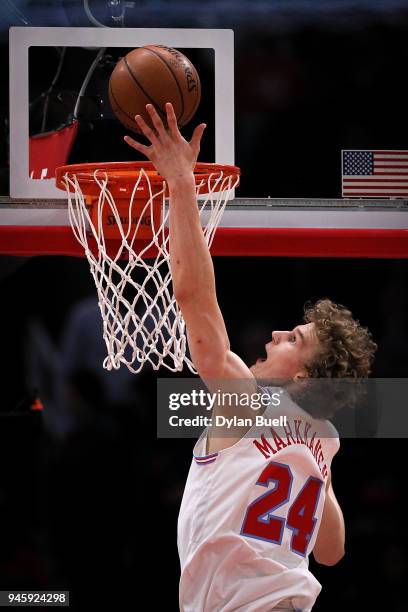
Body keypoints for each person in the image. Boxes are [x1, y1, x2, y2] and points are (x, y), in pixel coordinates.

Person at [125, 103, 377, 612]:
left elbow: (196, 298)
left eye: (294, 339)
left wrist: (180, 183)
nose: (278, 333)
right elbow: (331, 550)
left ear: (303, 374)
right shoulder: (321, 442)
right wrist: (316, 462)